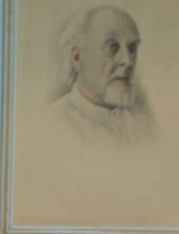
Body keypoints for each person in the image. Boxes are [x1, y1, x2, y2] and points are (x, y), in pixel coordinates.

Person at [48, 6, 156, 145]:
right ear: (77, 58)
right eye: (112, 47)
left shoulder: (146, 124)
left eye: (132, 48)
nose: (128, 61)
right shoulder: (53, 123)